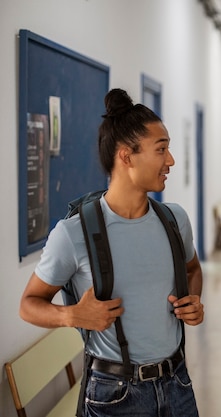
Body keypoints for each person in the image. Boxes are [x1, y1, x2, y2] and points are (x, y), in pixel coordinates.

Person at [19, 88, 205, 417]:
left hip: (177, 384)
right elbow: (29, 305)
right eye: (161, 149)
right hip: (115, 395)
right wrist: (71, 315)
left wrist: (193, 300)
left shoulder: (175, 220)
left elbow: (192, 269)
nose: (171, 160)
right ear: (126, 156)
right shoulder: (73, 233)